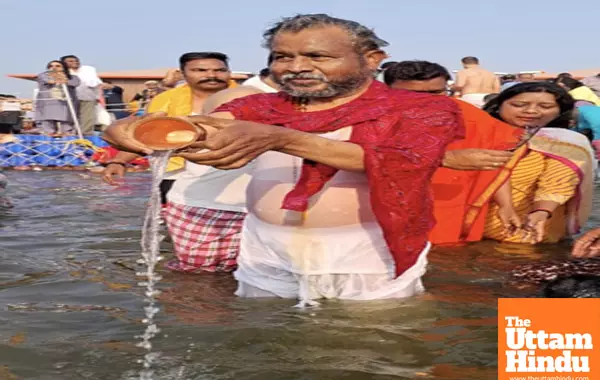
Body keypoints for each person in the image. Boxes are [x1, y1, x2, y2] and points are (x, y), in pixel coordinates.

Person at [103, 14, 464, 302]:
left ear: (372, 59)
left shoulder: (420, 108)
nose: (296, 67)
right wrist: (131, 131)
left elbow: (403, 160)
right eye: (282, 57)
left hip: (367, 248)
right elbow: (209, 126)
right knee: (268, 341)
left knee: (375, 348)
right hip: (267, 246)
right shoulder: (261, 106)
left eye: (317, 56)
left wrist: (281, 138)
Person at [104, 52, 253, 274]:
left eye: (219, 70)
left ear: (229, 73)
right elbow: (150, 135)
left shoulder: (252, 98)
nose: (211, 75)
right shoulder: (167, 101)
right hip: (180, 179)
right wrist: (119, 161)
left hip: (244, 189)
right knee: (198, 265)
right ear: (183, 74)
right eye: (200, 70)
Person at [384, 60, 522, 244]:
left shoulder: (473, 118)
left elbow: (495, 163)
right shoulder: (370, 117)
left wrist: (506, 205)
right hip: (383, 201)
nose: (426, 100)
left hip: (448, 202)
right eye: (412, 94)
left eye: (435, 93)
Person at [481, 82, 595, 244]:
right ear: (498, 106)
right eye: (519, 105)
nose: (531, 111)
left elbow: (558, 182)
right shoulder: (477, 135)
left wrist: (542, 211)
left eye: (545, 106)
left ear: (561, 111)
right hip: (469, 225)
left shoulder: (565, 142)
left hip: (528, 228)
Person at [35, 60, 80, 135]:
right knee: (47, 127)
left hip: (66, 104)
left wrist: (64, 79)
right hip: (47, 104)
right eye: (51, 66)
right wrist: (58, 78)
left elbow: (75, 83)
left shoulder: (73, 77)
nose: (54, 68)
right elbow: (49, 81)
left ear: (64, 68)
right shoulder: (43, 75)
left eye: (57, 66)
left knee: (67, 128)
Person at [60, 55, 102, 135]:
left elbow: (96, 83)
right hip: (68, 99)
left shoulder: (88, 70)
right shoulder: (62, 72)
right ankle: (71, 135)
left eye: (76, 60)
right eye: (71, 61)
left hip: (87, 98)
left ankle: (86, 136)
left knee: (87, 118)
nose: (75, 62)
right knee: (70, 118)